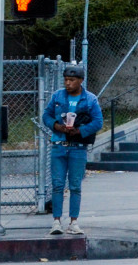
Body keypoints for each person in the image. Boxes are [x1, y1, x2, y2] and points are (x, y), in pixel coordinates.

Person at [41, 64, 102, 235]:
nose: (68, 83)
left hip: (78, 147)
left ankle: (74, 222)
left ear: (81, 81)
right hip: (59, 145)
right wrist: (56, 126)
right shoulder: (58, 96)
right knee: (58, 184)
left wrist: (80, 131)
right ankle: (56, 221)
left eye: (72, 80)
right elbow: (46, 115)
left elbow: (98, 122)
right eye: (66, 80)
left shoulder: (90, 99)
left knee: (75, 185)